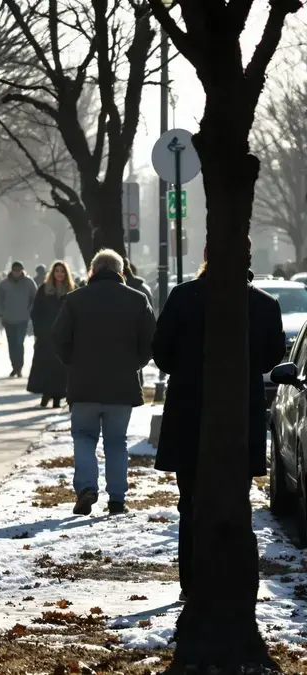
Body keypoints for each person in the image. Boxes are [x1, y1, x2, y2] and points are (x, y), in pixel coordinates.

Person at [152, 243, 284, 601]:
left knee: (190, 501)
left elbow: (161, 352)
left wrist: (188, 369)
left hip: (188, 413)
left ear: (205, 257)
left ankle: (192, 582)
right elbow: (271, 358)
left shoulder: (183, 297)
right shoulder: (263, 304)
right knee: (235, 500)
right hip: (240, 415)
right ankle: (229, 579)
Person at [51, 249, 155, 516]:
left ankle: (86, 487)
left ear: (92, 271)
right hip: (121, 384)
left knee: (84, 437)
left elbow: (59, 337)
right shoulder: (137, 299)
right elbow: (149, 342)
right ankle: (117, 499)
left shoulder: (75, 300)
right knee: (116, 441)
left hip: (84, 382)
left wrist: (72, 362)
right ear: (121, 271)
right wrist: (135, 364)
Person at [28, 261, 74, 409]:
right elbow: (36, 312)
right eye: (57, 271)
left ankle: (58, 397)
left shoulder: (72, 291)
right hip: (46, 336)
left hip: (64, 336)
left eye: (62, 271)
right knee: (46, 365)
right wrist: (39, 331)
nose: (59, 274)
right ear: (52, 273)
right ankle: (46, 393)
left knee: (61, 367)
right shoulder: (44, 289)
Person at [0, 262, 38, 378]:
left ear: (22, 271)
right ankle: (14, 366)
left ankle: (19, 367)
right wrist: (1, 312)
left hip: (22, 318)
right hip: (8, 318)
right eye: (15, 270)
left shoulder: (29, 283)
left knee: (19, 343)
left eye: (19, 270)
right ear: (12, 271)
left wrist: (30, 311)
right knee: (12, 344)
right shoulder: (5, 284)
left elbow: (36, 298)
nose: (17, 272)